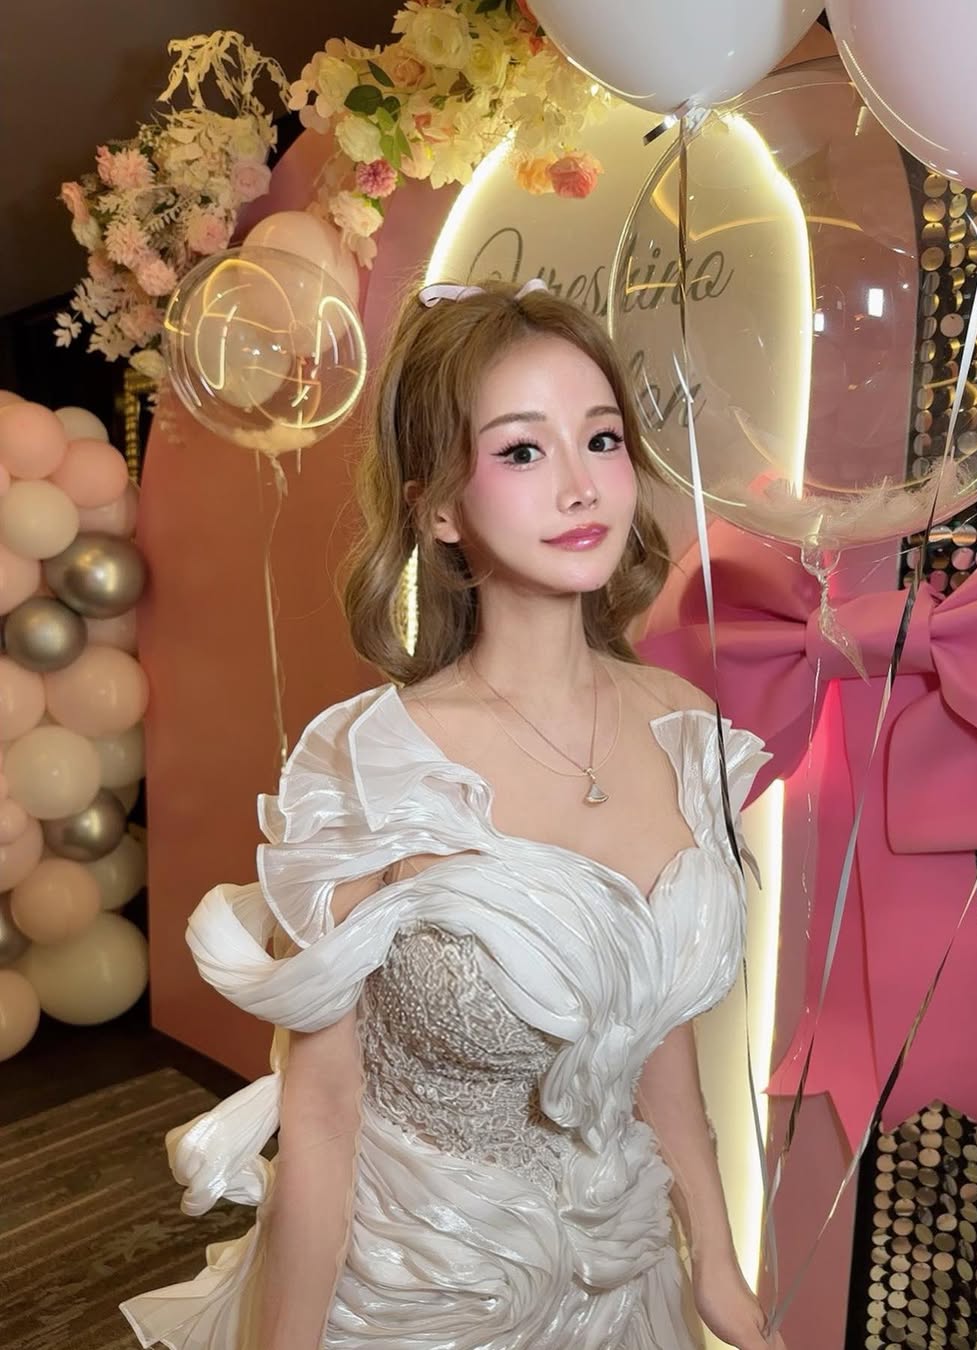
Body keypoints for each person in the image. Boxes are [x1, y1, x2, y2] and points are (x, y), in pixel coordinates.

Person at [120, 278, 780, 1350]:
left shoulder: (687, 727)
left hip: (623, 1276)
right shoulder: (368, 763)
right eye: (521, 451)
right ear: (436, 509)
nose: (581, 486)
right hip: (418, 1292)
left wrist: (718, 1264)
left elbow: (656, 1044)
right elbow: (323, 1117)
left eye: (601, 439)